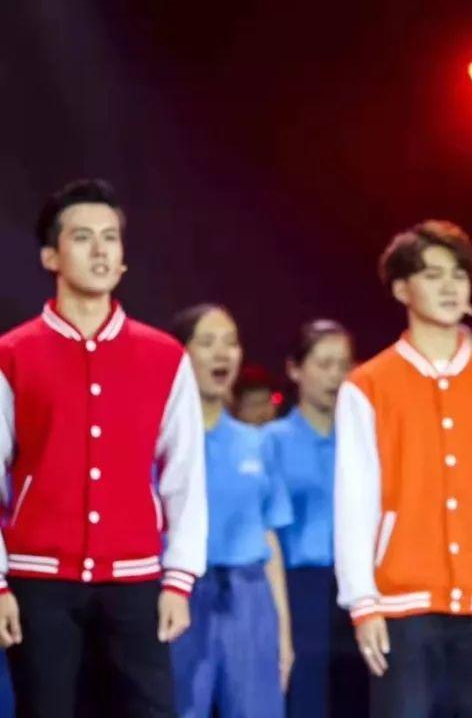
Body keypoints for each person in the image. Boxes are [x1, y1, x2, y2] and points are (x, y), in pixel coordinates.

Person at [0, 179, 207, 716]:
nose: (100, 250)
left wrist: (179, 579)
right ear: (51, 254)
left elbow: (185, 476)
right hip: (38, 584)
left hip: (135, 582)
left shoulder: (163, 357)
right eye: (83, 237)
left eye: (111, 238)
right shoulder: (13, 355)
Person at [334, 219, 472, 717]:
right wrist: (362, 601)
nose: (450, 286)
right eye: (433, 275)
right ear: (400, 288)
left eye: (459, 274)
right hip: (402, 608)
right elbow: (355, 501)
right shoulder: (368, 386)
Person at [169, 304, 294, 718]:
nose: (222, 353)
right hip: (180, 595)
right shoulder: (158, 441)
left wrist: (283, 633)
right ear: (181, 354)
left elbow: (268, 536)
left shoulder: (255, 442)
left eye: (231, 342)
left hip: (249, 597)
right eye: (207, 343)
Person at [262, 319, 368, 717]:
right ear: (294, 369)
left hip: (359, 586)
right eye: (323, 364)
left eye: (343, 365)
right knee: (307, 699)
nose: (336, 376)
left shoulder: (363, 439)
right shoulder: (273, 441)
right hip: (300, 589)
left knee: (359, 697)